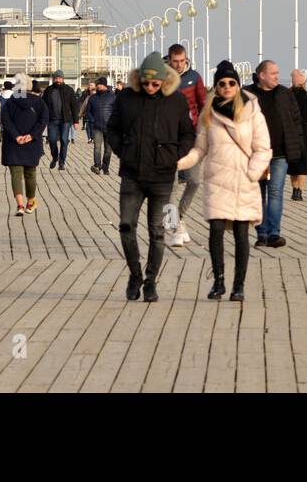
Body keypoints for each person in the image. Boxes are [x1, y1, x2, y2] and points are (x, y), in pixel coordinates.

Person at [176, 61, 270, 300]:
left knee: (241, 233)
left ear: (237, 85)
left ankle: (239, 285)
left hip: (243, 180)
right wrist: (177, 163)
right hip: (217, 180)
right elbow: (200, 150)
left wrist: (252, 172)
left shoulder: (252, 111)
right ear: (216, 86)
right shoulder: (209, 114)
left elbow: (263, 147)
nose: (227, 86)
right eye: (222, 83)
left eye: (231, 82)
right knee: (215, 231)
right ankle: (218, 281)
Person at [107, 52, 195, 302]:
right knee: (126, 226)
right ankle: (135, 274)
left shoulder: (176, 101)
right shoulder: (126, 98)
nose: (150, 87)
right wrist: (122, 151)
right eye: (145, 83)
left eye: (155, 83)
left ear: (163, 81)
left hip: (162, 177)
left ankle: (150, 281)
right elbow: (112, 128)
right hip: (132, 175)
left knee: (157, 231)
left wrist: (174, 156)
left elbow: (188, 134)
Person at [244, 60, 307, 248]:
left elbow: (296, 121)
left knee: (275, 192)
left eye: (278, 73)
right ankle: (261, 233)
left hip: (280, 153)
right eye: (273, 73)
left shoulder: (285, 94)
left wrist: (297, 146)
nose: (277, 77)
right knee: (258, 193)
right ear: (262, 75)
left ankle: (273, 233)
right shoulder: (247, 94)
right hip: (255, 153)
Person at [167, 44, 208, 247]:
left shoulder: (194, 77)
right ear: (169, 60)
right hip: (168, 139)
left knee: (194, 181)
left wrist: (204, 129)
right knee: (171, 186)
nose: (179, 65)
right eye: (175, 61)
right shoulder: (163, 78)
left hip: (190, 137)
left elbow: (203, 104)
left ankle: (179, 218)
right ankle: (174, 227)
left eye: (182, 61)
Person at [1, 72, 48, 215]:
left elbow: (6, 121)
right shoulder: (38, 101)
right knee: (30, 173)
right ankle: (31, 202)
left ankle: (20, 205)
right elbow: (44, 120)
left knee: (16, 174)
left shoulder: (10, 101)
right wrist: (31, 135)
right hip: (32, 143)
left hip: (13, 143)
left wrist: (16, 136)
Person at [288, 69, 307, 201]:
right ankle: (299, 191)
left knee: (293, 164)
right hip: (305, 132)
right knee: (303, 165)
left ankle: (294, 189)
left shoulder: (287, 95)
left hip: (290, 132)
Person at [42, 71, 79, 169]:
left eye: (60, 78)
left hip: (65, 121)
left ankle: (62, 162)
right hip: (52, 120)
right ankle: (55, 157)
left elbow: (74, 106)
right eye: (56, 78)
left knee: (64, 140)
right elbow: (43, 105)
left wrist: (76, 121)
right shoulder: (48, 90)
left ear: (63, 79)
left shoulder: (69, 90)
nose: (58, 80)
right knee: (52, 140)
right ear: (54, 79)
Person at [85, 77, 117, 174]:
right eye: (97, 84)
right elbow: (88, 111)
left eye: (99, 84)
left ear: (104, 85)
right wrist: (93, 120)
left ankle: (105, 167)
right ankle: (97, 166)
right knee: (97, 148)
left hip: (110, 127)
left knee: (108, 150)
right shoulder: (93, 98)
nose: (97, 86)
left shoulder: (112, 97)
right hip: (97, 126)